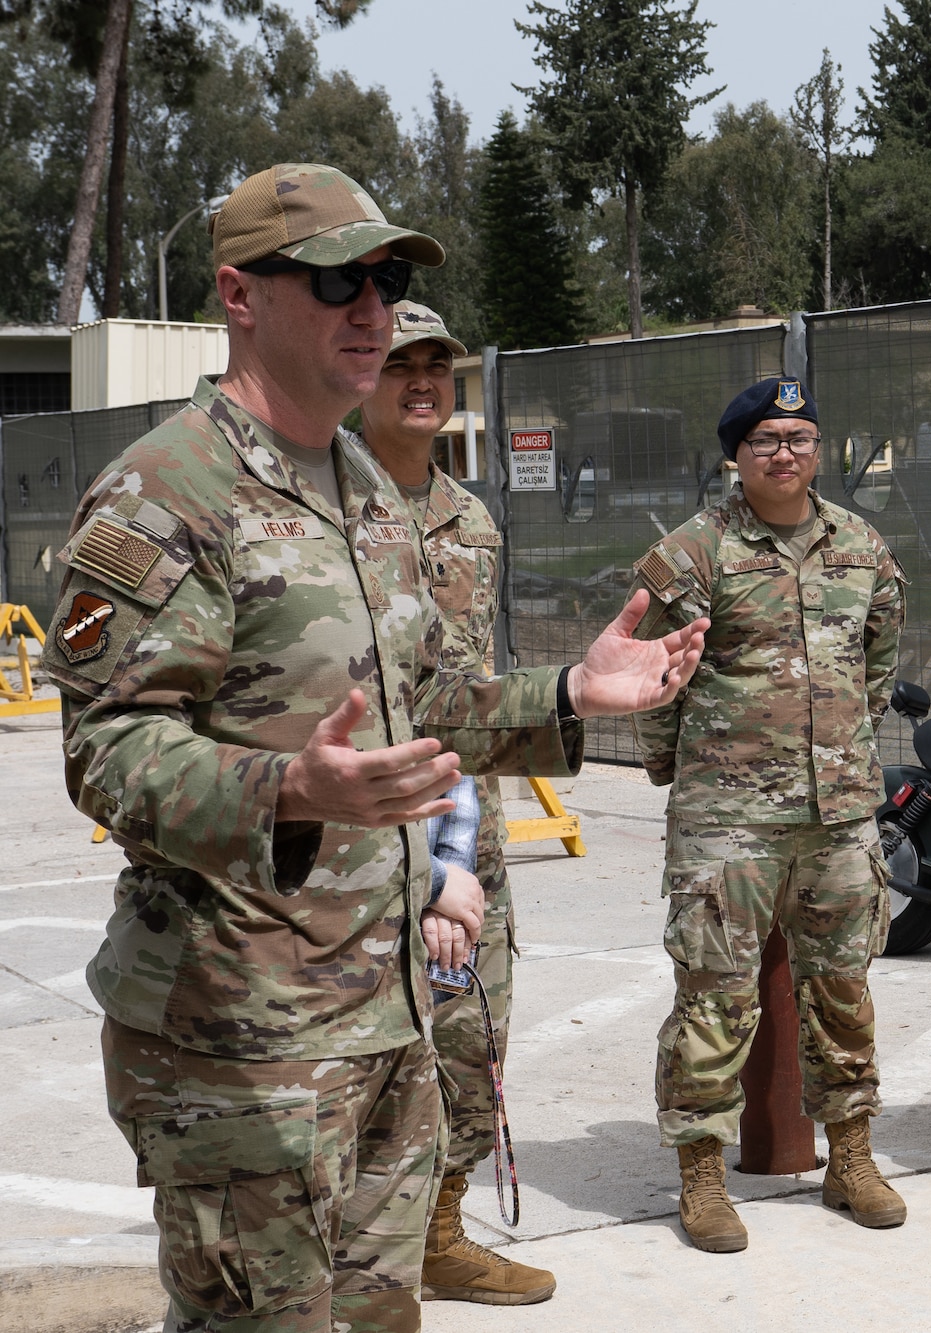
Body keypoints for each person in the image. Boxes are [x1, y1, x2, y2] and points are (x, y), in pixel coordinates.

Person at [43, 163, 705, 1333]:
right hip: (242, 1042)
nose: (376, 310)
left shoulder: (365, 484)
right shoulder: (163, 492)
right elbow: (110, 751)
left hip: (392, 1016)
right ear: (240, 296)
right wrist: (287, 789)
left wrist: (568, 694)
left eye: (388, 279)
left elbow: (430, 698)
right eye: (341, 278)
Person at [631, 377, 907, 1253]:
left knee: (844, 989)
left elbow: (880, 656)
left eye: (799, 436)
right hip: (729, 816)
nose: (783, 451)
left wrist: (841, 755)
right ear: (734, 456)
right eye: (765, 440)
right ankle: (702, 1174)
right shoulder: (694, 552)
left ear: (819, 449)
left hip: (839, 814)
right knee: (714, 997)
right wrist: (676, 768)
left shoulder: (861, 545)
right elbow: (655, 673)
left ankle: (851, 1156)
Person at [346, 300, 554, 1304]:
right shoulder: (323, 498)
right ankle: (350, 1255)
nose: (422, 381)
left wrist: (460, 849)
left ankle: (440, 1230)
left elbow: (467, 684)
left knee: (473, 1033)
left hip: (464, 822)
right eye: (400, 364)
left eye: (438, 365)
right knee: (358, 1050)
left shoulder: (471, 519)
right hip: (353, 828)